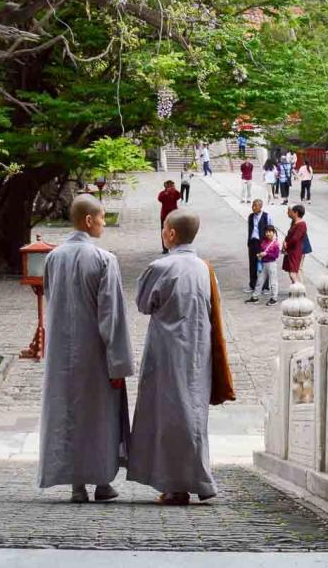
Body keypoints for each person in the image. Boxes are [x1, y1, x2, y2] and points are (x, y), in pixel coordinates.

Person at [38, 194, 134, 503]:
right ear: (89, 220)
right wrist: (119, 363)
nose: (104, 224)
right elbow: (112, 317)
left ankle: (77, 486)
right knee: (100, 418)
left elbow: (51, 302)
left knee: (68, 415)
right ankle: (102, 482)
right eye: (103, 218)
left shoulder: (53, 258)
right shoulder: (104, 259)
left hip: (61, 357)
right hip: (95, 354)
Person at [127, 210, 218, 505]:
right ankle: (199, 479)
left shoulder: (161, 266)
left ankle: (179, 484)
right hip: (199, 348)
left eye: (164, 228)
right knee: (193, 410)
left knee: (170, 414)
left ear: (170, 234)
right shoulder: (204, 268)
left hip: (167, 350)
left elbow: (143, 303)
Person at [245, 225, 280, 306]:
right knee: (259, 280)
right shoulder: (264, 241)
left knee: (273, 281)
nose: (268, 233)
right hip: (263, 263)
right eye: (266, 232)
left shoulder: (275, 243)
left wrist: (266, 254)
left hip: (271, 263)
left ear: (273, 232)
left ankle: (274, 298)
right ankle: (255, 297)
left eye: (270, 232)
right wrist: (259, 254)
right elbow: (261, 250)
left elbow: (276, 255)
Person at [245, 199, 272, 294]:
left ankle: (265, 287)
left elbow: (271, 230)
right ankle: (252, 284)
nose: (253, 208)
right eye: (253, 206)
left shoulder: (266, 216)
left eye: (255, 206)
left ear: (260, 207)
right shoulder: (251, 217)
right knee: (252, 264)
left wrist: (268, 244)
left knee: (264, 264)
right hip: (253, 242)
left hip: (262, 243)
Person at [282, 204, 307, 284]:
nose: (289, 213)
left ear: (296, 213)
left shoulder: (301, 224)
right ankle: (296, 289)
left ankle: (299, 289)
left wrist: (287, 244)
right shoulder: (295, 222)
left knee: (293, 273)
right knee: (291, 272)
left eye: (291, 211)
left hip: (295, 250)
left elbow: (295, 238)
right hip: (291, 250)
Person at [158, 180, 181, 253]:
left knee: (175, 231)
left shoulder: (175, 193)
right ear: (167, 186)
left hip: (174, 215)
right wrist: (166, 193)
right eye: (171, 186)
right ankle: (165, 248)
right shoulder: (162, 193)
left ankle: (175, 246)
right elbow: (160, 199)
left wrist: (174, 190)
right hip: (164, 215)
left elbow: (179, 196)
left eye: (173, 186)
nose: (172, 187)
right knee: (164, 231)